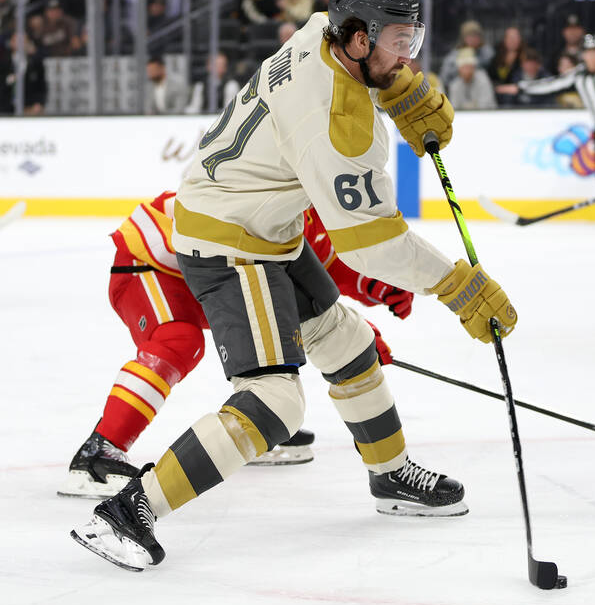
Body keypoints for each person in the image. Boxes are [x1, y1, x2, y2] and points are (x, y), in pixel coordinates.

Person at [71, 0, 517, 571]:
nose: (409, 56)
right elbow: (370, 245)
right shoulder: (336, 125)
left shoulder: (319, 33)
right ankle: (128, 511)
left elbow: (346, 97)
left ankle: (389, 476)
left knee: (347, 340)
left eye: (413, 40)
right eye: (398, 42)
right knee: (275, 403)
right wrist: (456, 286)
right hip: (231, 238)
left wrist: (392, 89)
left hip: (256, 217)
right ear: (357, 39)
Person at [58, 192, 415, 498]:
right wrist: (357, 340)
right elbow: (298, 289)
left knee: (266, 337)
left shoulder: (314, 210)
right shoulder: (285, 197)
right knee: (177, 341)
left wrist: (374, 288)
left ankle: (256, 427)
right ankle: (98, 453)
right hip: (151, 262)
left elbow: (319, 273)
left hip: (209, 270)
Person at [500, 34, 595, 222]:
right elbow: (551, 84)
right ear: (582, 56)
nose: (592, 57)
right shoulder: (578, 75)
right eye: (588, 53)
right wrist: (521, 88)